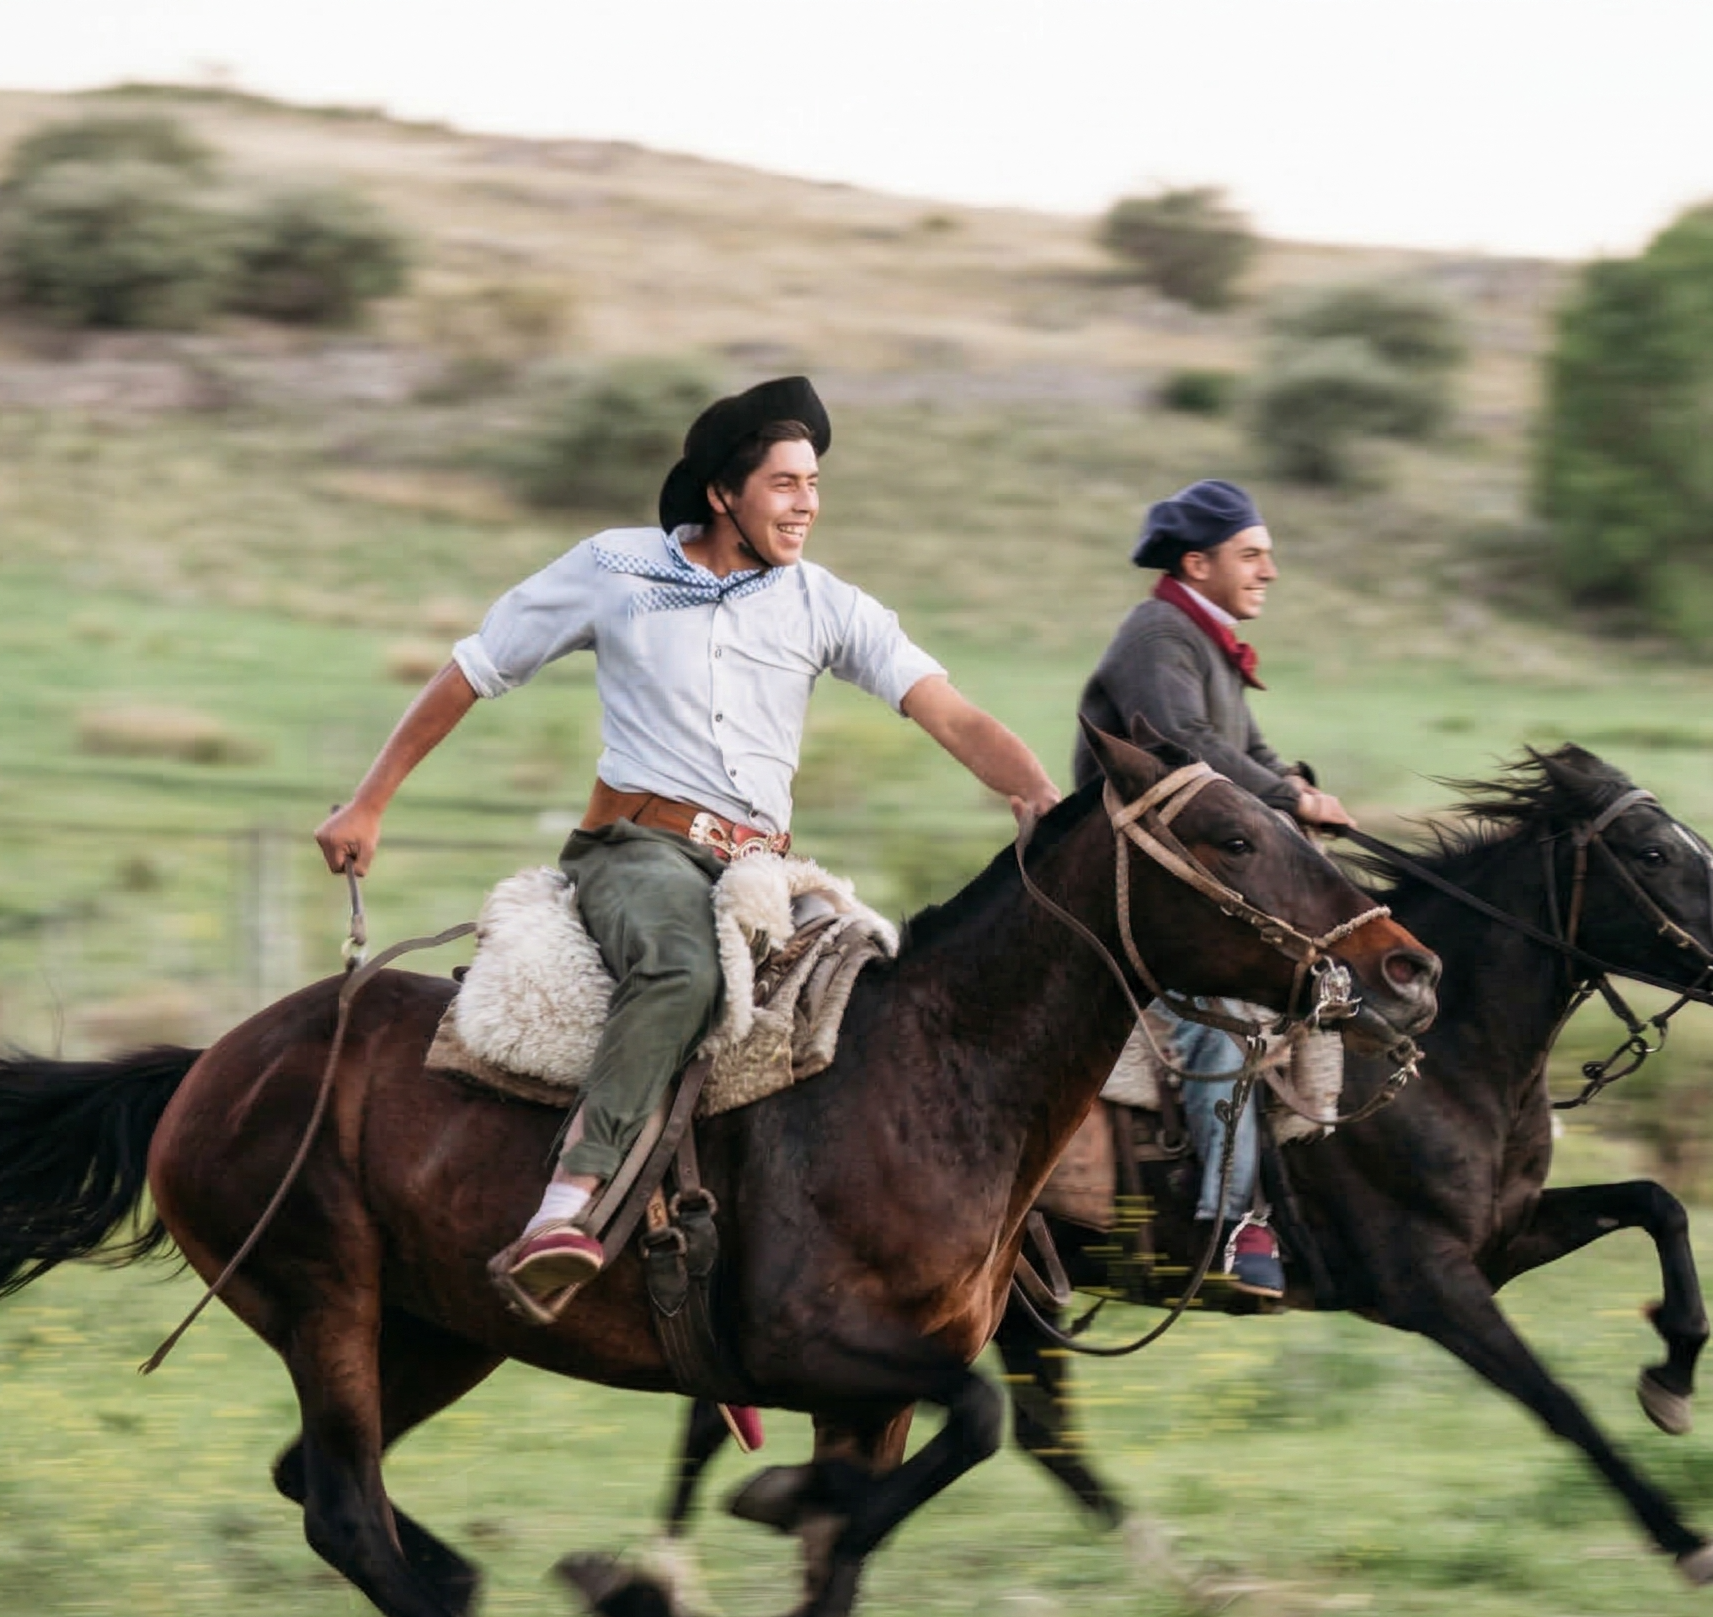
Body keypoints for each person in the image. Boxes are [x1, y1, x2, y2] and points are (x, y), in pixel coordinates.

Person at [315, 376, 1060, 1303]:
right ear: (723, 493)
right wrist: (368, 802)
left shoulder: (825, 605)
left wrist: (1035, 792)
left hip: (763, 870)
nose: (808, 505)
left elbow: (945, 712)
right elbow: (473, 670)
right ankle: (567, 1201)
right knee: (680, 972)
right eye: (786, 484)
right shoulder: (614, 570)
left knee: (878, 1010)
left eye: (815, 485)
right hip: (637, 850)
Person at [1070, 479, 1354, 1297]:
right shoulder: (1157, 633)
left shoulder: (1206, 638)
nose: (1269, 571)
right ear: (1198, 564)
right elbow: (1184, 744)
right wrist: (1289, 800)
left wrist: (1295, 789)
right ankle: (1233, 1228)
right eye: (1252, 555)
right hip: (1139, 878)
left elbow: (1250, 753)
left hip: (1197, 867)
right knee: (1216, 1023)